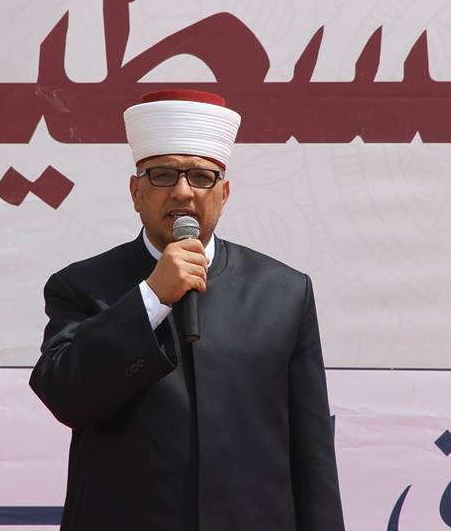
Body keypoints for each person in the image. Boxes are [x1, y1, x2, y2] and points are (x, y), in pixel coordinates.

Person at [30, 90, 344, 531]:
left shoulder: (284, 292)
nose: (182, 191)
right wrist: (151, 297)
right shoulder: (82, 287)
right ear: (136, 191)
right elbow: (66, 395)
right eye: (162, 175)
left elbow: (311, 454)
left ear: (224, 193)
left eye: (200, 176)